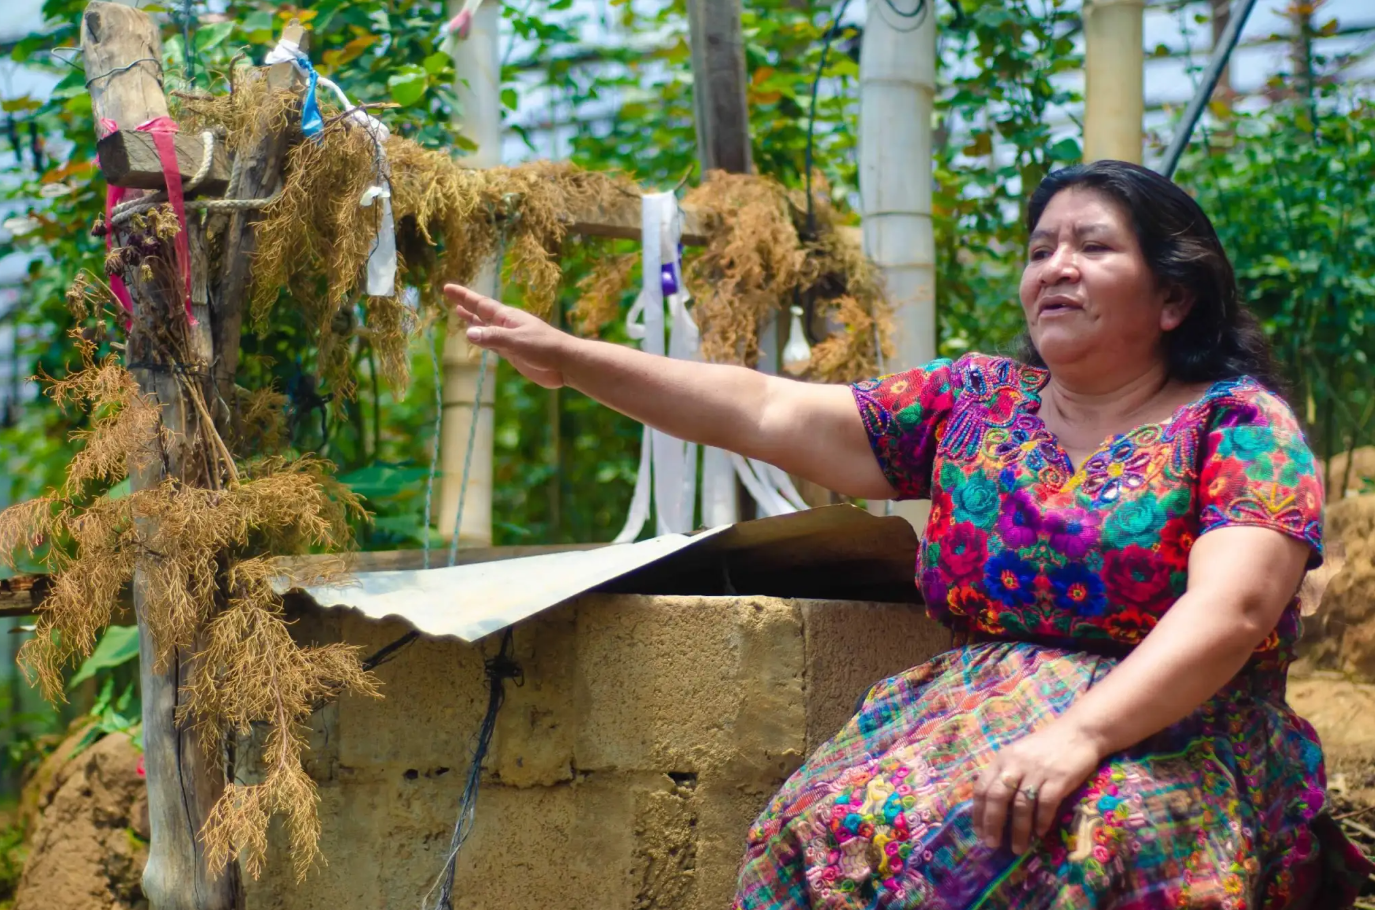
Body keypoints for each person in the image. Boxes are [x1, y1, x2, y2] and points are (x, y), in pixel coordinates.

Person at [446, 159, 1373, 908]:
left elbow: (1234, 607)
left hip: (1177, 723)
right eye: (1041, 247)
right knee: (824, 832)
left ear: (1172, 300)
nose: (1055, 266)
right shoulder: (973, 402)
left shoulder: (1238, 425)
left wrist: (1077, 737)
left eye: (1093, 247)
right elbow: (767, 407)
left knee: (1096, 846)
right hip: (964, 715)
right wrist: (573, 360)